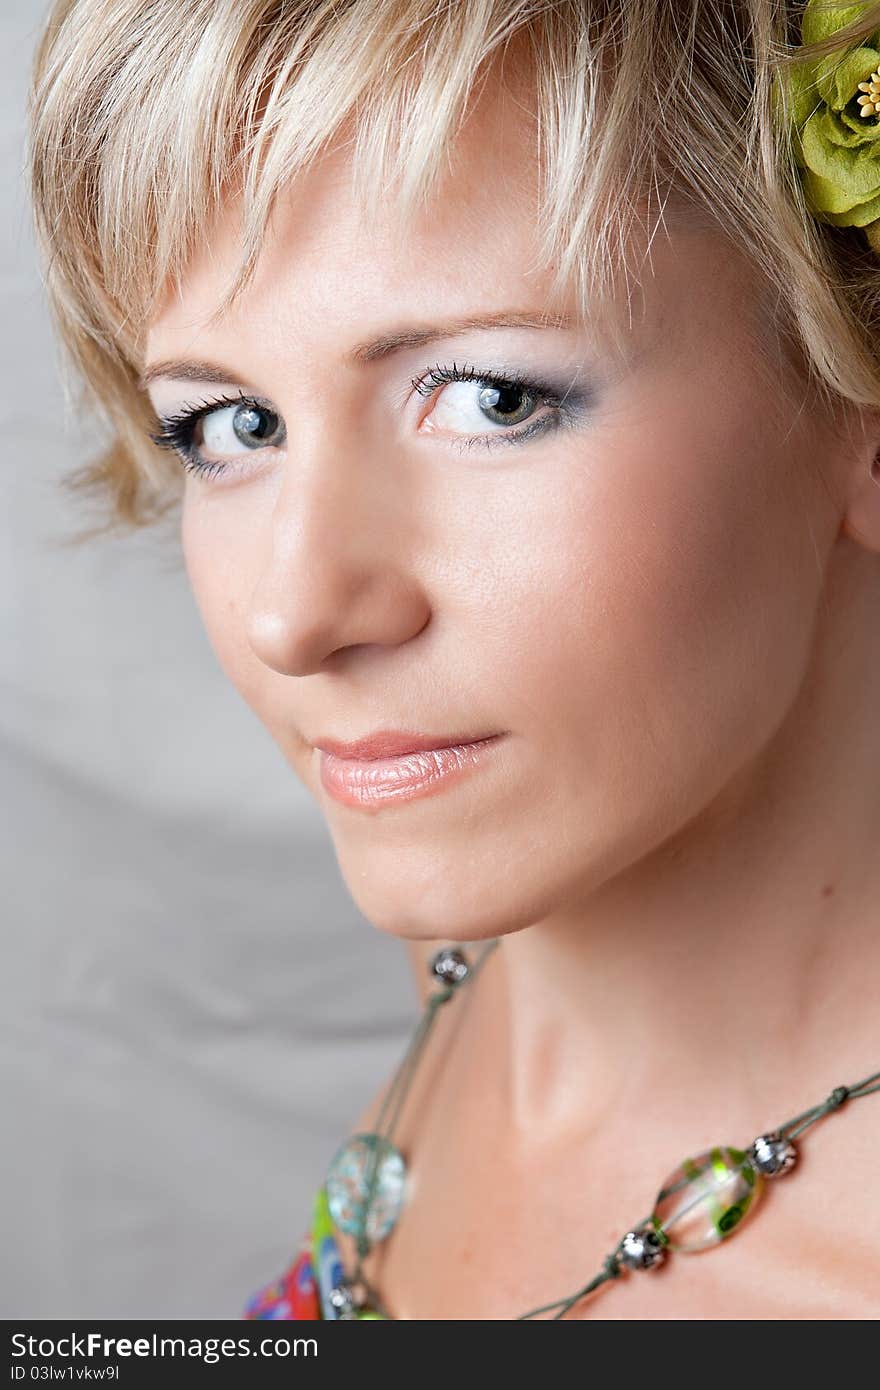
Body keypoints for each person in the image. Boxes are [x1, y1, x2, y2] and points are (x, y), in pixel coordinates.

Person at [26, 0, 880, 1319]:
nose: (295, 614)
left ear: (859, 406)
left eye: (493, 397)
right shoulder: (476, 958)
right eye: (229, 422)